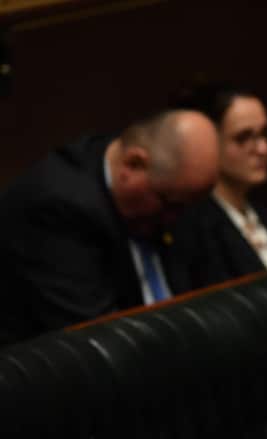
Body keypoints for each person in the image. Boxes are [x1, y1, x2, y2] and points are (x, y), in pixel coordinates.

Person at [0, 109, 218, 347]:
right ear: (133, 164)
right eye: (171, 205)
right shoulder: (57, 208)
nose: (175, 219)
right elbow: (98, 342)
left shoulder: (168, 185)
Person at [171, 83, 267, 288]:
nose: (263, 149)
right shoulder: (196, 231)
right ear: (208, 143)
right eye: (244, 138)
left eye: (264, 133)